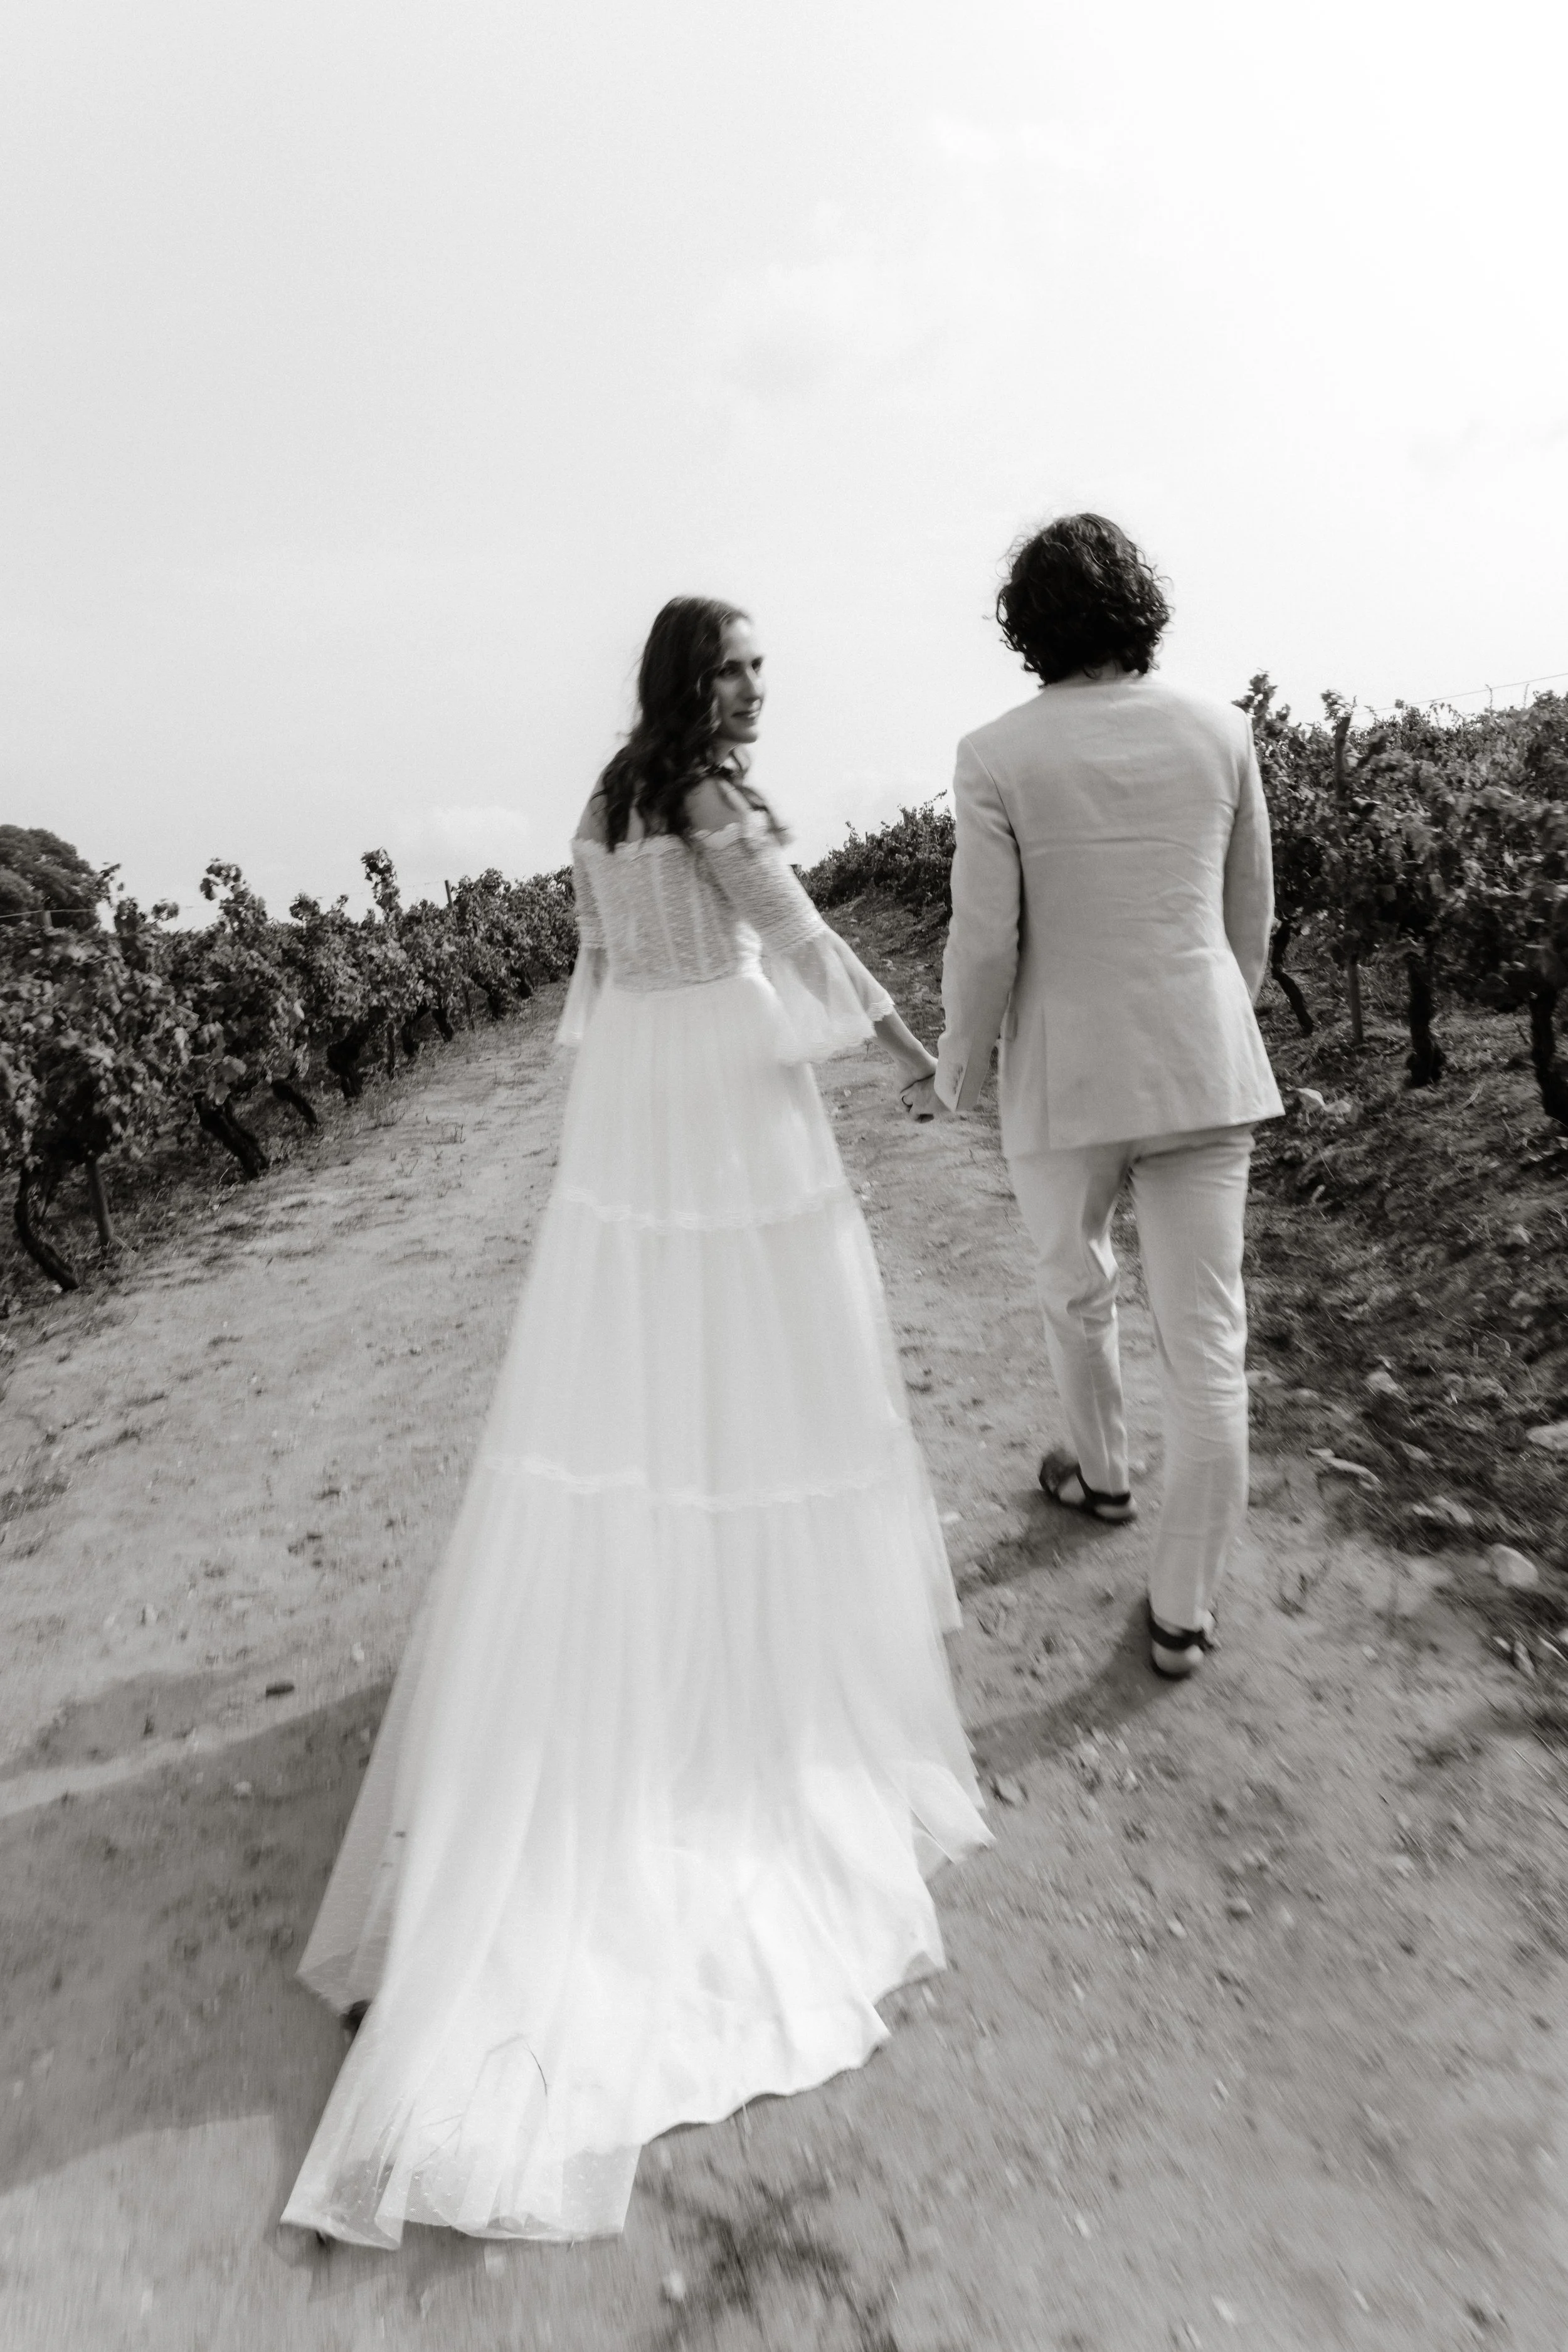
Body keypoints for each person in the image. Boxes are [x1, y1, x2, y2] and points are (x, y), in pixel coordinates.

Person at [283, 596, 988, 2247]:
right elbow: (798, 937)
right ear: (693, 679)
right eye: (736, 662)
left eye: (758, 662)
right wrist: (912, 1052)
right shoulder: (713, 798)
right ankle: (750, 1652)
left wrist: (634, 1063)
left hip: (641, 1092)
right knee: (769, 1347)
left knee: (651, 1353)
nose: (756, 682)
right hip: (727, 1082)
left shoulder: (605, 803)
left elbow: (596, 978)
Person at [903, 516, 1283, 1678]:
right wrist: (1215, 1025)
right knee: (1207, 1340)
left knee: (1074, 1287)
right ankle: (1182, 1610)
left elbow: (984, 941)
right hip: (1203, 1064)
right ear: (1140, 603)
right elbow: (1250, 916)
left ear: (1027, 626)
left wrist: (957, 1067)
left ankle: (1104, 1474)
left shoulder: (995, 753)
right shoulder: (1223, 731)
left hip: (1066, 1075)